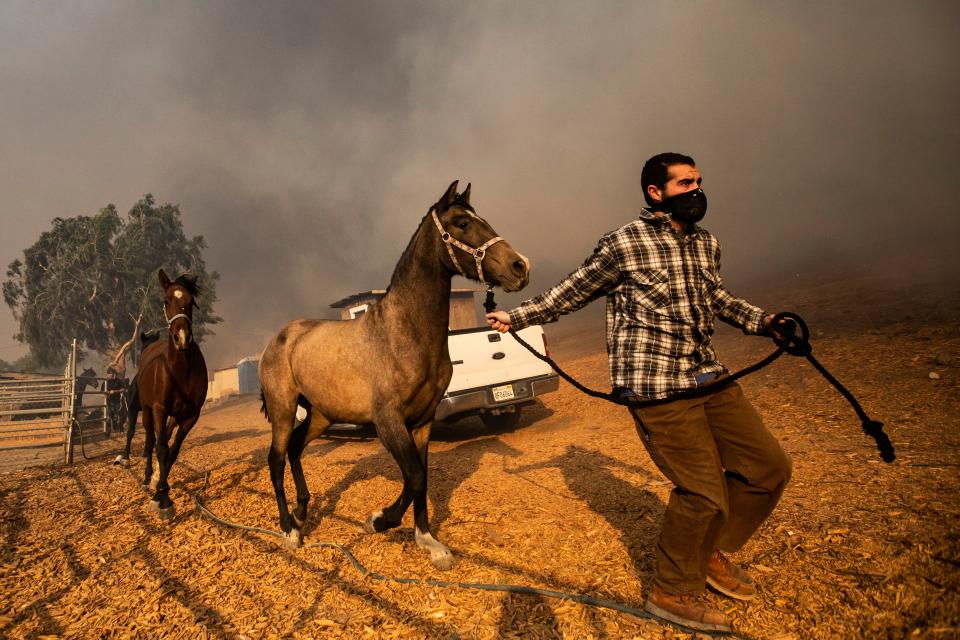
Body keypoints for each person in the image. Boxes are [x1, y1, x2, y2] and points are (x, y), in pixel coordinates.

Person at [486, 152, 792, 633]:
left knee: (769, 467)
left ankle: (707, 551)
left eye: (698, 181)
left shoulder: (706, 243)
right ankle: (672, 591)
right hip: (656, 385)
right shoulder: (624, 242)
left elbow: (717, 298)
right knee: (703, 491)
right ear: (656, 192)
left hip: (706, 374)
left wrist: (766, 322)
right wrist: (517, 316)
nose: (696, 190)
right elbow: (574, 290)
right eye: (684, 183)